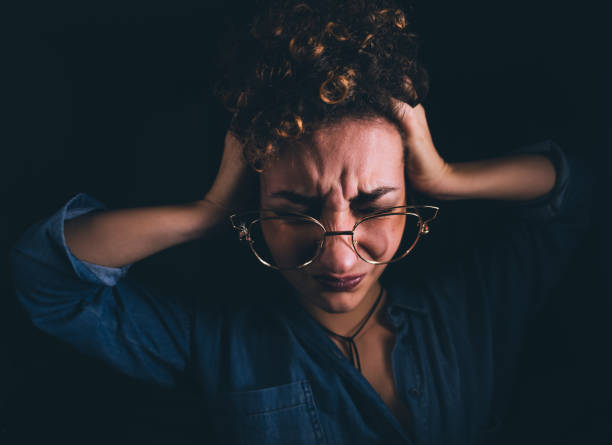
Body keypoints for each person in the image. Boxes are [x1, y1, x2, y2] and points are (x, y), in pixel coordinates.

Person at [9, 0, 593, 443]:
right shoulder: (218, 345)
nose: (339, 259)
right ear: (258, 211)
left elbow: (575, 190)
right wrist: (207, 212)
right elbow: (48, 278)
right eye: (296, 212)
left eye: (374, 207)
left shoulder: (477, 305)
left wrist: (444, 176)